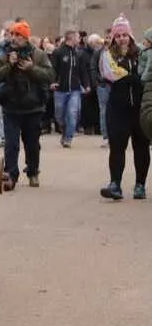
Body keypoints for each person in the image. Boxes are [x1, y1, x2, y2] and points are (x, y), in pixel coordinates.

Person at [0, 21, 54, 190]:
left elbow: (49, 76)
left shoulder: (39, 55)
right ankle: (10, 175)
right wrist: (9, 65)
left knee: (32, 144)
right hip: (11, 107)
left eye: (18, 35)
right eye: (12, 34)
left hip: (33, 107)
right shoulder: (3, 54)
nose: (14, 38)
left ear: (26, 37)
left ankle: (33, 172)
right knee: (11, 144)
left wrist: (31, 68)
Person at [98, 15, 149, 200]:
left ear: (130, 35)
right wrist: (131, 77)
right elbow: (109, 74)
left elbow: (146, 74)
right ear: (113, 37)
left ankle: (140, 185)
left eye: (124, 35)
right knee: (117, 147)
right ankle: (115, 184)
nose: (121, 38)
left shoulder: (142, 53)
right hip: (118, 108)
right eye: (118, 35)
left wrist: (134, 79)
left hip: (139, 108)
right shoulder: (108, 55)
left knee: (141, 147)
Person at [50, 28, 90, 148]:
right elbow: (52, 69)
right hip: (60, 89)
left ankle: (68, 138)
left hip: (75, 89)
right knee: (59, 114)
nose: (79, 39)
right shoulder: (58, 52)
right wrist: (52, 82)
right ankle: (64, 129)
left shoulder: (79, 54)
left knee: (73, 113)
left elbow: (83, 71)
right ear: (71, 37)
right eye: (77, 37)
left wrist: (86, 84)